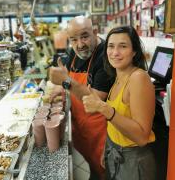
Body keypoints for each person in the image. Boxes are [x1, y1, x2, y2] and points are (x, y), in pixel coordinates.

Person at [82, 26, 156, 180]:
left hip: (134, 163)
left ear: (134, 51)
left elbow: (142, 137)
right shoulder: (117, 75)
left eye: (123, 46)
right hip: (114, 151)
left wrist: (104, 108)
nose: (115, 53)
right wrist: (108, 147)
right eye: (111, 46)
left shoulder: (138, 78)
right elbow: (115, 124)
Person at [49, 16, 114, 180]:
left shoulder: (106, 56)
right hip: (82, 128)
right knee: (91, 169)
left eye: (85, 36)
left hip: (101, 133)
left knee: (105, 173)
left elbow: (96, 101)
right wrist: (60, 89)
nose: (79, 44)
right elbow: (68, 78)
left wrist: (65, 82)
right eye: (73, 39)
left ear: (95, 32)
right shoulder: (74, 52)